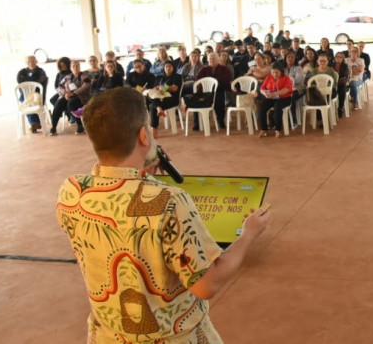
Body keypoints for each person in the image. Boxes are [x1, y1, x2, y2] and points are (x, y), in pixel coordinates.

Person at [56, 87, 270, 343]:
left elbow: (120, 216)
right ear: (144, 136)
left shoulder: (71, 191)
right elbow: (206, 284)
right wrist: (248, 234)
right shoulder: (170, 202)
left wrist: (142, 175)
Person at [49, 60, 91, 135]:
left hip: (81, 98)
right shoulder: (67, 77)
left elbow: (85, 86)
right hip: (67, 95)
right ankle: (53, 127)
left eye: (77, 66)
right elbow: (59, 87)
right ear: (71, 68)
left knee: (71, 103)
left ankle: (80, 125)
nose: (75, 67)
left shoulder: (84, 76)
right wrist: (65, 93)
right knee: (58, 103)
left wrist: (73, 93)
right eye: (73, 66)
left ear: (79, 67)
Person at [256, 61, 294, 138]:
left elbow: (287, 89)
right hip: (271, 97)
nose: (275, 74)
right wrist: (265, 93)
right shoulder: (268, 77)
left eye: (277, 72)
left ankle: (278, 130)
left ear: (281, 71)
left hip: (284, 98)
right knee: (262, 108)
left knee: (277, 108)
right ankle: (264, 130)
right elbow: (262, 88)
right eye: (273, 72)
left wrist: (275, 93)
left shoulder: (286, 78)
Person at [197, 52, 232, 130]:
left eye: (213, 58)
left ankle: (220, 120)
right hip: (206, 92)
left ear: (218, 59)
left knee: (219, 97)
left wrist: (215, 81)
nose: (211, 60)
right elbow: (198, 80)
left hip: (220, 90)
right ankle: (198, 123)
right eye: (209, 59)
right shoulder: (203, 69)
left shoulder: (224, 69)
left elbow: (227, 80)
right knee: (197, 99)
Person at [149, 61, 182, 138]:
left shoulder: (177, 76)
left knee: (152, 106)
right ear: (163, 68)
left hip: (172, 99)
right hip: (161, 98)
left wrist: (165, 88)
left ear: (173, 68)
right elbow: (156, 87)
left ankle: (154, 129)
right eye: (166, 67)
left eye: (170, 66)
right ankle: (159, 108)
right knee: (152, 96)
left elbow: (174, 88)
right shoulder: (161, 77)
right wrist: (156, 88)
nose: (168, 68)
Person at [16, 55, 49, 133]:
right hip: (26, 95)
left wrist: (32, 85)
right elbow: (20, 82)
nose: (31, 63)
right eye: (29, 62)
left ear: (36, 62)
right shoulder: (22, 72)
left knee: (33, 102)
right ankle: (35, 123)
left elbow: (41, 81)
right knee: (26, 102)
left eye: (33, 61)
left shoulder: (41, 72)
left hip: (37, 95)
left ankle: (34, 123)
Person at [333, 52, 351, 117]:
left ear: (343, 59)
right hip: (332, 84)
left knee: (342, 91)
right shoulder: (331, 65)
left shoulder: (345, 66)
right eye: (337, 57)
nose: (338, 58)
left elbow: (345, 76)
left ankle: (340, 107)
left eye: (340, 57)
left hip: (341, 84)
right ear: (335, 58)